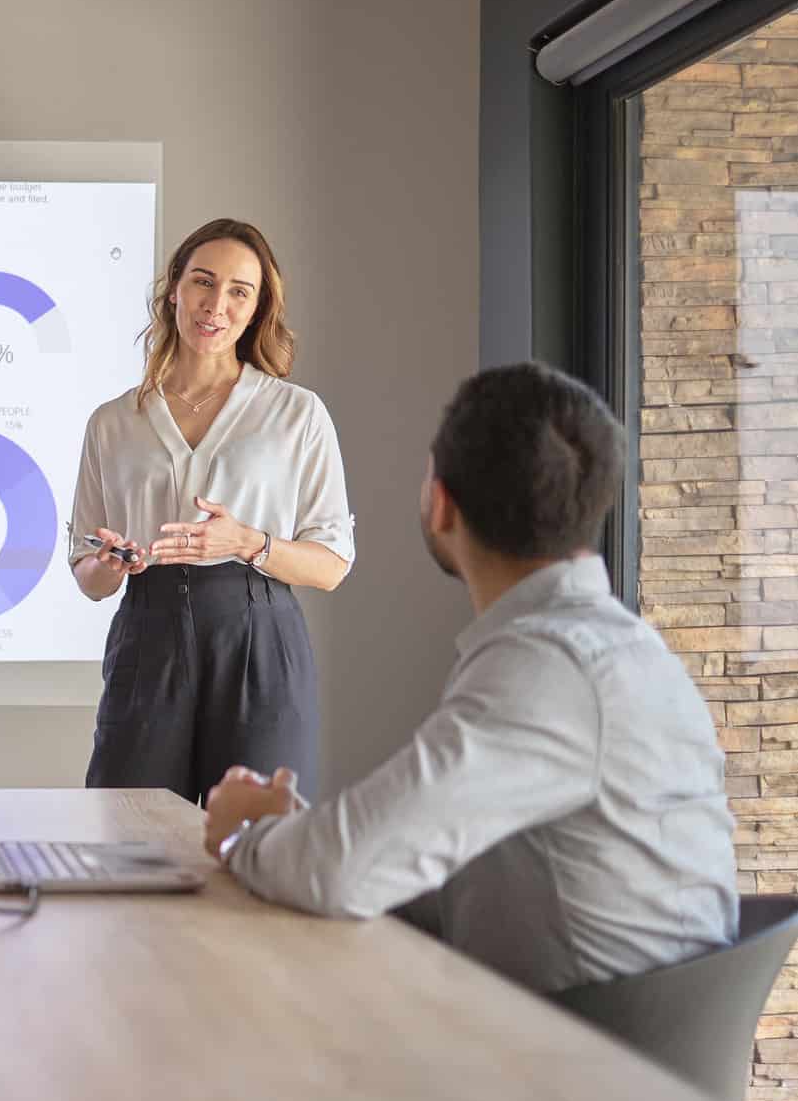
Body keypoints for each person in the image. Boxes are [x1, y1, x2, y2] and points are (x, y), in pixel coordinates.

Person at [203, 362, 738, 992]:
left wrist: (245, 836)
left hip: (559, 1044)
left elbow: (340, 873)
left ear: (440, 504)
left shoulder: (546, 668)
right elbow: (408, 859)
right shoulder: (622, 648)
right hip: (599, 1026)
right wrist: (301, 836)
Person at [69, 218, 354, 802]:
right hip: (148, 630)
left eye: (238, 291)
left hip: (258, 635)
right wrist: (110, 563)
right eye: (203, 281)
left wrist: (247, 542)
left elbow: (331, 565)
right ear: (174, 287)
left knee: (258, 837)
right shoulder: (113, 421)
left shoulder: (297, 414)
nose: (215, 304)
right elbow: (89, 577)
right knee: (129, 827)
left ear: (257, 309)